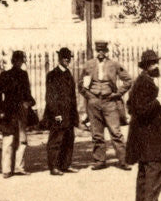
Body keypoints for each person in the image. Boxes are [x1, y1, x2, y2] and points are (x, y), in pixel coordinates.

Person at [126, 49, 161, 201]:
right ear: (147, 66)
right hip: (149, 134)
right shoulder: (146, 83)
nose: (157, 66)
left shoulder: (141, 81)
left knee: (144, 170)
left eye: (156, 62)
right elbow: (141, 109)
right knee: (156, 169)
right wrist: (159, 102)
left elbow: (130, 105)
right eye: (153, 63)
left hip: (140, 134)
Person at [81, 39, 133, 170]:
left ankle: (123, 161)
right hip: (94, 102)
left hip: (109, 102)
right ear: (95, 51)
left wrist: (117, 94)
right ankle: (99, 161)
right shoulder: (88, 65)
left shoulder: (114, 64)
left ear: (106, 51)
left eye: (103, 50)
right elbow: (80, 84)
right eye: (98, 50)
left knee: (115, 132)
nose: (100, 53)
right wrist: (89, 96)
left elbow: (128, 80)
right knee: (97, 133)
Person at [0, 49, 34, 179]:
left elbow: (27, 93)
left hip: (17, 110)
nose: (20, 63)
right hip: (11, 110)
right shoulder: (7, 75)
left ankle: (14, 168)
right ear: (13, 61)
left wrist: (28, 103)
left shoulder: (20, 75)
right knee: (11, 139)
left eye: (21, 60)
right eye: (18, 60)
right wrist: (1, 108)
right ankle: (9, 169)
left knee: (19, 140)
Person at [44, 47, 79, 176]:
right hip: (58, 114)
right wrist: (56, 114)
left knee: (69, 140)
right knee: (56, 140)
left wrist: (75, 114)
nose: (67, 60)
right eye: (65, 58)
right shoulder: (52, 75)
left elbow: (73, 96)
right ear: (59, 59)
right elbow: (50, 97)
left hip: (69, 114)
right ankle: (54, 167)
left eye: (68, 58)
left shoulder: (69, 74)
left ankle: (65, 164)